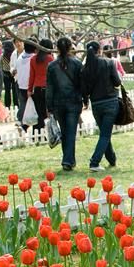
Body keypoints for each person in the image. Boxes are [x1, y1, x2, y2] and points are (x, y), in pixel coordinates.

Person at [82, 41, 122, 171]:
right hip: (110, 101)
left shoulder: (86, 68)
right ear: (99, 50)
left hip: (96, 103)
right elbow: (117, 81)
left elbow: (85, 88)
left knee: (105, 133)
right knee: (105, 134)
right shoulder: (108, 63)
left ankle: (112, 159)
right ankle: (94, 162)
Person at [46, 37, 83, 171]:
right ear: (69, 48)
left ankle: (68, 159)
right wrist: (84, 98)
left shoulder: (52, 66)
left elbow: (49, 87)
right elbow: (81, 84)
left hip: (58, 103)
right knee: (70, 131)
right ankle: (68, 160)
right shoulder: (77, 64)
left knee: (64, 131)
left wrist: (49, 106)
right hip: (73, 101)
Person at [28, 38, 54, 133]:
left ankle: (37, 131)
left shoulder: (33, 59)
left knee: (38, 111)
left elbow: (32, 75)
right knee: (48, 112)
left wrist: (29, 89)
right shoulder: (50, 58)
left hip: (37, 88)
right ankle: (49, 131)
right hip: (48, 88)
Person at [15, 41, 36, 131]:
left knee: (24, 105)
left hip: (21, 86)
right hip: (31, 87)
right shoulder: (33, 58)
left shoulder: (20, 57)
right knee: (34, 109)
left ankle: (21, 122)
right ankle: (25, 125)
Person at [0, 40, 16, 109]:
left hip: (6, 74)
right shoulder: (14, 54)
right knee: (15, 90)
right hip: (14, 73)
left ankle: (7, 105)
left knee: (7, 90)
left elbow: (1, 64)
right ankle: (16, 104)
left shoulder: (2, 55)